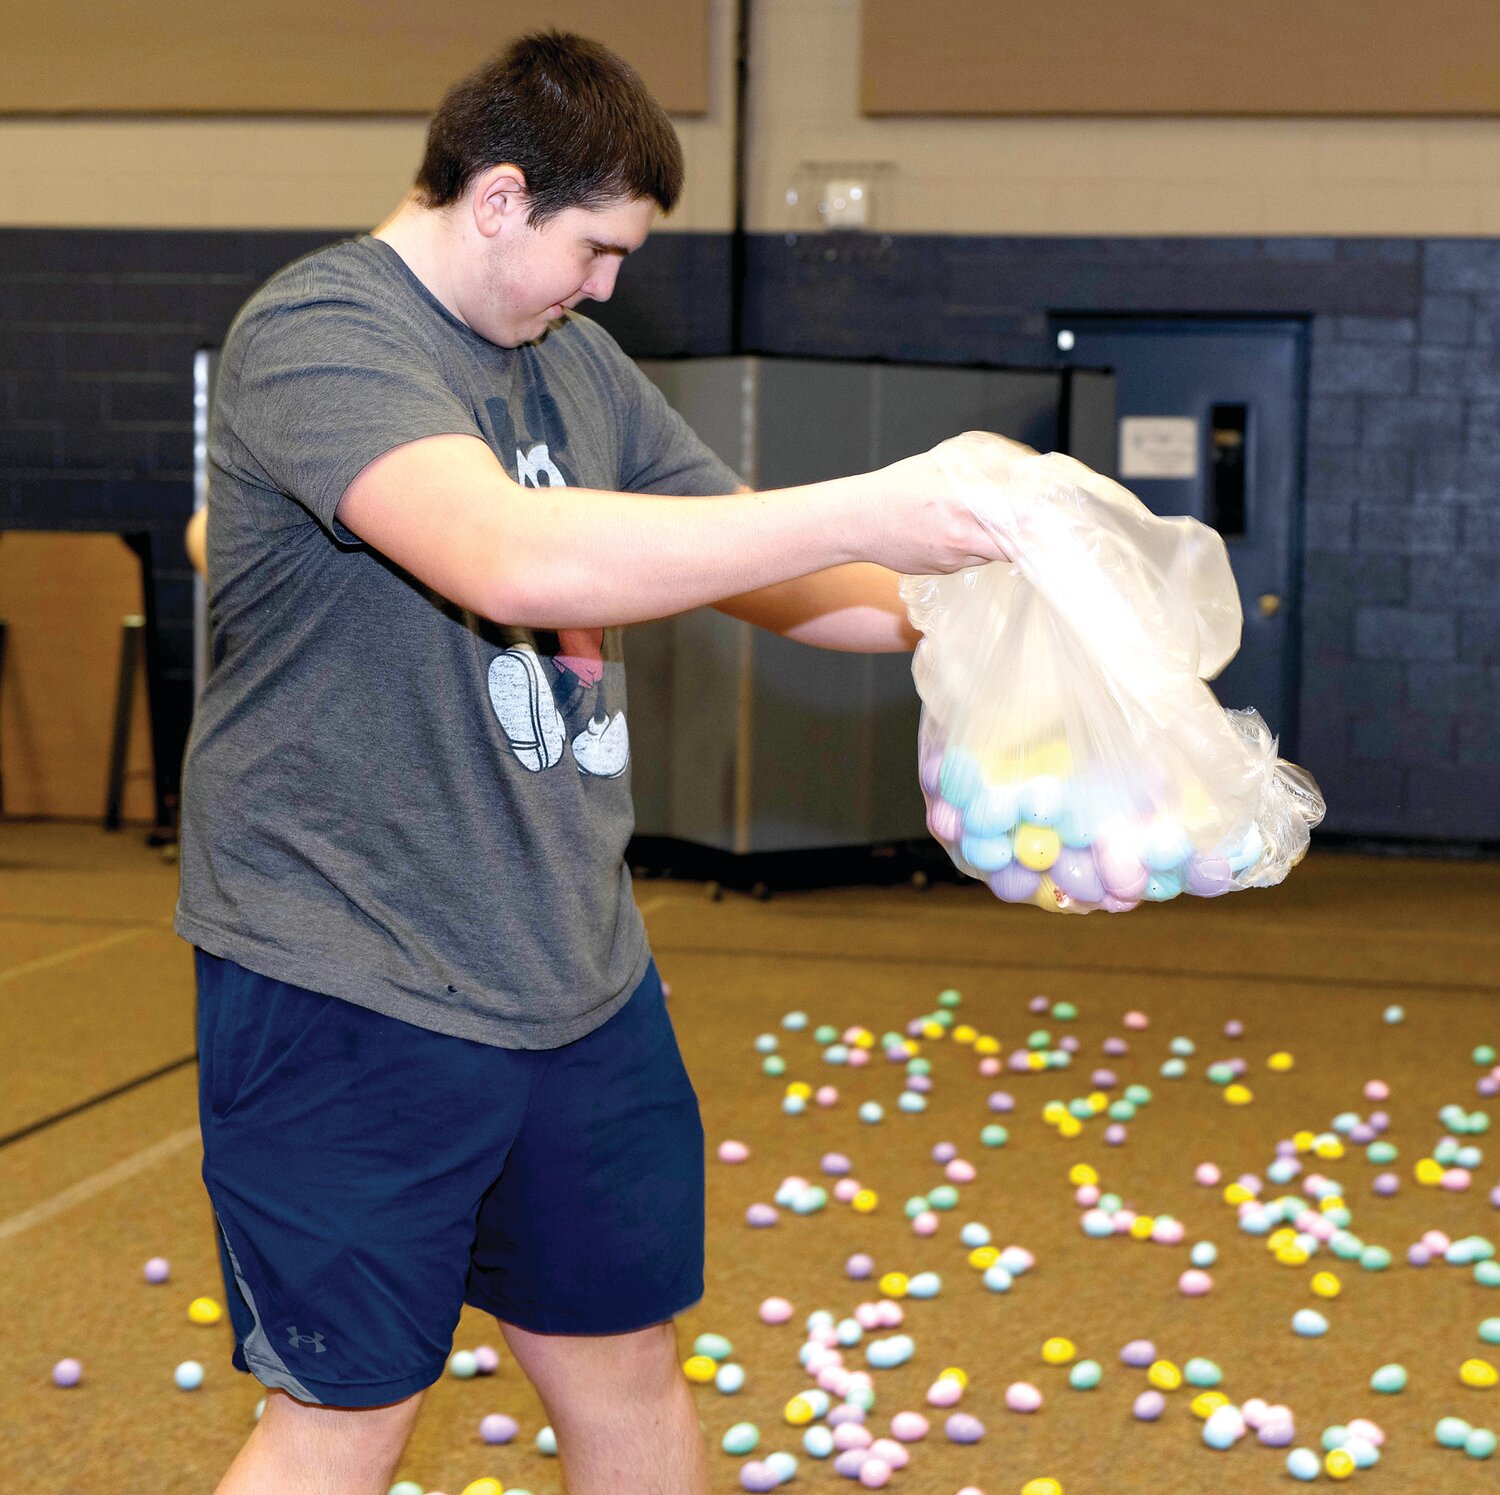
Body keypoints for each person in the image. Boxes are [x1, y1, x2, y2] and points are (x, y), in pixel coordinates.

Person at [178, 30, 1025, 1495]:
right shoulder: (322, 332)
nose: (607, 286)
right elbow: (511, 551)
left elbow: (771, 569)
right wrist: (870, 499)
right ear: (498, 198)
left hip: (577, 981)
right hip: (352, 979)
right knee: (349, 1410)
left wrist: (995, 611)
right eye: (596, 247)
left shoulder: (574, 361)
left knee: (630, 1364)